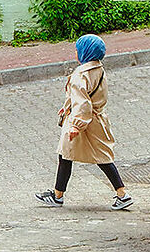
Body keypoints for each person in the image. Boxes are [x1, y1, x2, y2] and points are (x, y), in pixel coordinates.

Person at [38, 34, 130, 210]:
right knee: (80, 155)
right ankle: (58, 193)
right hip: (97, 118)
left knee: (73, 155)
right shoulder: (99, 69)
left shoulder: (80, 75)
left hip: (83, 121)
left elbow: (82, 102)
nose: (76, 52)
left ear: (84, 52)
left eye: (77, 49)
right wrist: (66, 107)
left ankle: (122, 194)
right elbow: (87, 96)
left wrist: (75, 125)